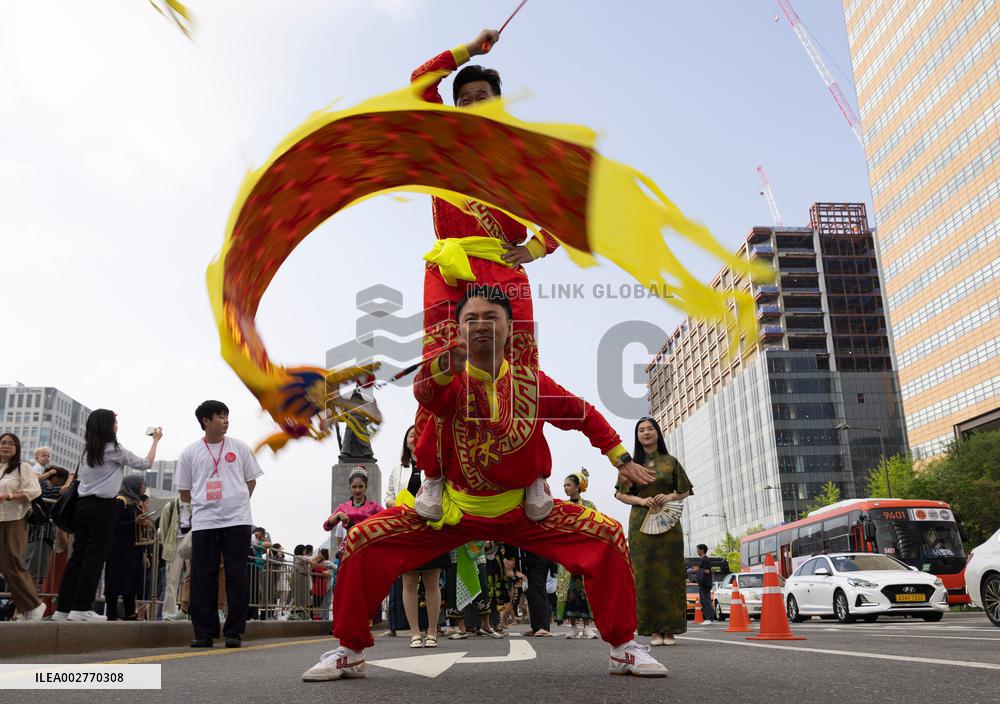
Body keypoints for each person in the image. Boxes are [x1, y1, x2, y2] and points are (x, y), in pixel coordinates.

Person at [302, 285, 667, 681]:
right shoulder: (449, 378)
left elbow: (582, 414)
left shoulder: (532, 383)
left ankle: (623, 647)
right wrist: (445, 367)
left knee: (607, 536)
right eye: (470, 319)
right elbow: (426, 392)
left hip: (522, 511)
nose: (480, 325)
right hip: (451, 511)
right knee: (360, 542)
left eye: (490, 318)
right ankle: (349, 651)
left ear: (510, 328)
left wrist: (620, 457)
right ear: (457, 329)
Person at [409, 29, 560, 525]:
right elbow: (417, 83)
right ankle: (432, 473)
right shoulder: (442, 143)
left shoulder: (524, 155)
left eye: (483, 97)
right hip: (449, 269)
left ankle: (533, 475)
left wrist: (535, 249)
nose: (474, 104)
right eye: (465, 98)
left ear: (499, 103)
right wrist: (468, 51)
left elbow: (566, 211)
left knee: (519, 367)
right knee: (440, 365)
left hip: (503, 266)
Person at [54, 411, 161, 622]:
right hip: (103, 508)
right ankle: (82, 608)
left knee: (78, 557)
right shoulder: (114, 449)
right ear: (108, 426)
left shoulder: (88, 449)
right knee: (94, 557)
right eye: (115, 422)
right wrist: (156, 441)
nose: (117, 425)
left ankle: (63, 609)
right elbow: (145, 463)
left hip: (83, 506)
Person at [175, 400, 263, 649]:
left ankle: (234, 632)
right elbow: (184, 491)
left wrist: (235, 502)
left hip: (238, 521)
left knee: (237, 576)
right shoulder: (190, 452)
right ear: (205, 421)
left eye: (227, 415)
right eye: (220, 416)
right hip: (205, 522)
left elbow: (251, 481)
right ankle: (204, 633)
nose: (226, 420)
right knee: (203, 577)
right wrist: (207, 504)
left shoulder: (240, 447)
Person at [615, 417, 693, 646]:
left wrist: (668, 496)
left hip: (668, 522)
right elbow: (620, 494)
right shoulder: (631, 465)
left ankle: (670, 629)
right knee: (645, 575)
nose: (646, 433)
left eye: (650, 429)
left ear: (658, 433)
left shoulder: (670, 462)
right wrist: (641, 500)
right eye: (641, 430)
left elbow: (685, 490)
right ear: (637, 437)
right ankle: (653, 631)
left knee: (671, 573)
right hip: (641, 524)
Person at [0, 433, 45, 620]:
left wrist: (10, 496)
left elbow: (35, 490)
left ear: (17, 448)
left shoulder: (22, 467)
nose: (6, 446)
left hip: (13, 518)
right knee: (5, 565)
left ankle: (34, 605)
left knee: (12, 563)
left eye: (11, 443)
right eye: (3, 443)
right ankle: (25, 607)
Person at [557, 470, 598, 639]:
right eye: (564, 485)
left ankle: (587, 626)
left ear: (577, 487)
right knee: (569, 591)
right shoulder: (562, 506)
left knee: (585, 589)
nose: (565, 488)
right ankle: (573, 626)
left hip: (585, 551)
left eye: (568, 485)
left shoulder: (589, 505)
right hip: (567, 552)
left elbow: (596, 525)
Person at [103, 475, 149, 620]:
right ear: (133, 485)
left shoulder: (136, 503)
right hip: (118, 548)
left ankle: (130, 612)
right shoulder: (120, 501)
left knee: (132, 580)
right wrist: (134, 522)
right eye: (141, 484)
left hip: (134, 548)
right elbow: (112, 525)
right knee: (115, 579)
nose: (144, 487)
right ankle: (112, 613)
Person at [323, 467, 383, 546]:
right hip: (348, 550)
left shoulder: (374, 507)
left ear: (366, 487)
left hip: (367, 547)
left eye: (361, 486)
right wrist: (338, 515)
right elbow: (326, 526)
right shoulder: (343, 507)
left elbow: (388, 519)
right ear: (350, 488)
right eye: (354, 487)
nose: (357, 490)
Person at [158, 495, 191, 620]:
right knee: (171, 581)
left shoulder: (195, 505)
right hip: (174, 543)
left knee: (192, 578)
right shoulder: (170, 506)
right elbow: (164, 529)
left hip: (190, 542)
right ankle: (168, 613)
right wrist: (168, 545)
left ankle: (187, 611)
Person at [695, 544, 717, 624]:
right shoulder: (702, 559)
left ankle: (709, 618)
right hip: (702, 583)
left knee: (706, 600)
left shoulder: (705, 559)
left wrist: (697, 570)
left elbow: (707, 571)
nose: (697, 551)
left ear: (702, 550)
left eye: (698, 549)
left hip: (705, 583)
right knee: (702, 601)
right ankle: (708, 617)